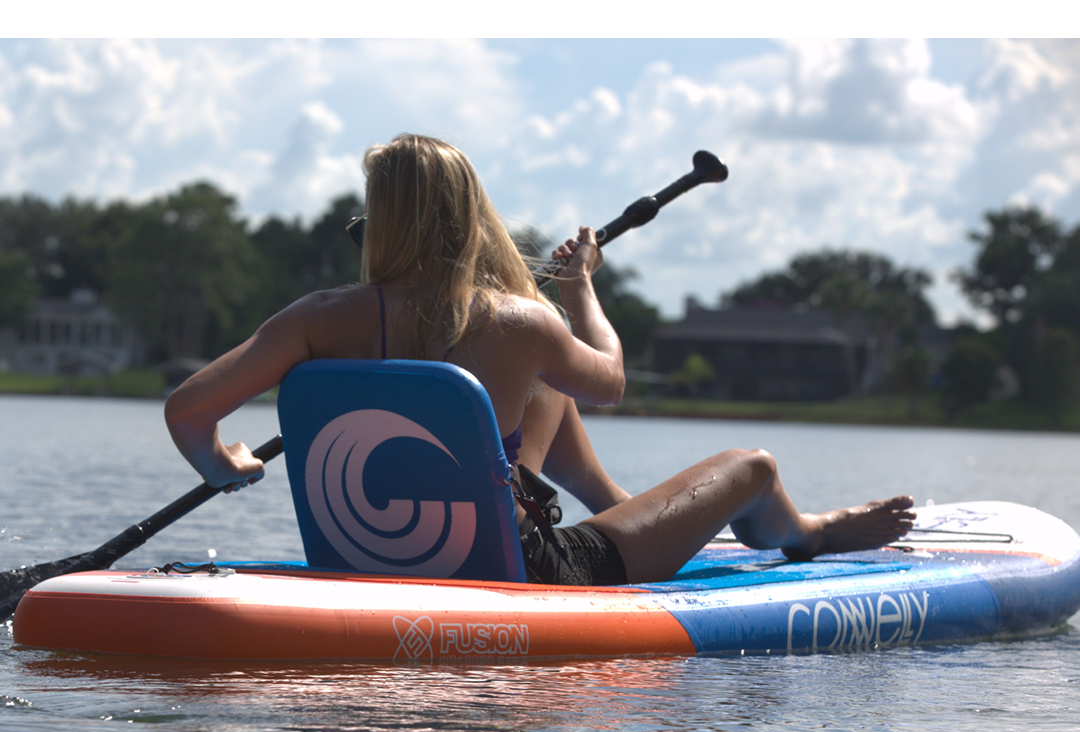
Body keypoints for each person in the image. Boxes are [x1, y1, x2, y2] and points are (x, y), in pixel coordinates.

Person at [165, 133, 915, 586]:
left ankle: (621, 515)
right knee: (752, 466)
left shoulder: (315, 320)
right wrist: (583, 288)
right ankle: (803, 531)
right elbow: (611, 378)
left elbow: (189, 410)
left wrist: (222, 463)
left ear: (381, 218)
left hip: (370, 560)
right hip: (523, 571)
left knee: (538, 397)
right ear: (468, 213)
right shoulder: (521, 323)